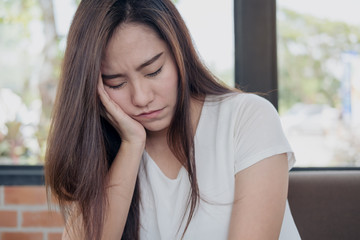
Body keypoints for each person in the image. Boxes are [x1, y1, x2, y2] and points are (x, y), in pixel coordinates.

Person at [45, 0, 301, 239]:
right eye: (117, 82)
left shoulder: (248, 118)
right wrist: (132, 145)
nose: (141, 97)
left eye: (154, 71)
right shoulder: (110, 151)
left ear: (179, 54)